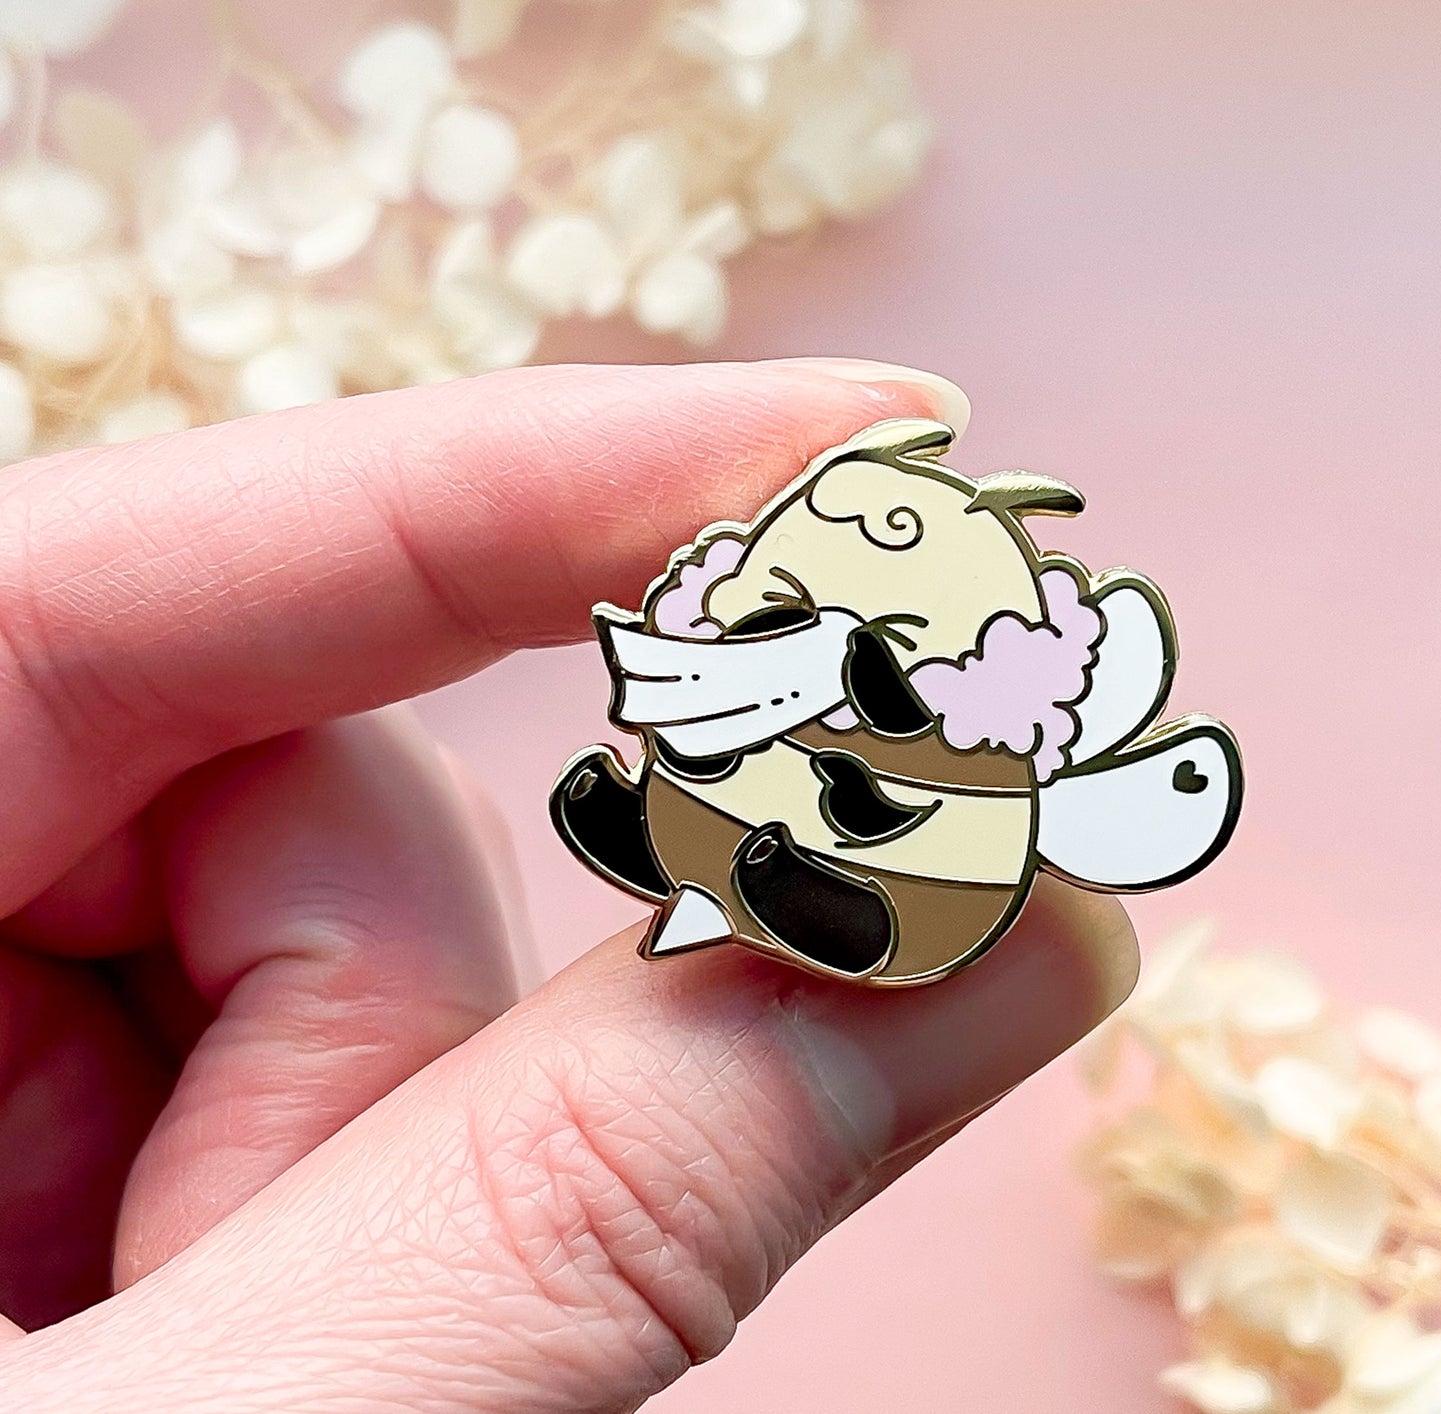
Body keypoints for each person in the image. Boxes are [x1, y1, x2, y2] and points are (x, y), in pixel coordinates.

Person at [0, 359, 1137, 1411]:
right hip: (744, 795)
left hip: (913, 859)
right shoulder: (772, 604)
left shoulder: (985, 679)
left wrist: (867, 685)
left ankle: (829, 907)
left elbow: (915, 728)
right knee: (715, 790)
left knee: (845, 821)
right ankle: (673, 842)